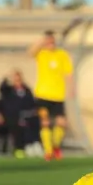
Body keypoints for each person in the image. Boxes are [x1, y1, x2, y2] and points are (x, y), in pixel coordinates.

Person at [28, 30, 74, 161]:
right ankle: (48, 151)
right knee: (45, 122)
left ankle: (55, 146)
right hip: (42, 95)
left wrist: (72, 89)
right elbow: (30, 52)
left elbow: (68, 73)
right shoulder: (41, 53)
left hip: (58, 96)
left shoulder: (62, 54)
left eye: (52, 41)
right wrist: (41, 41)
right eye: (48, 41)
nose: (50, 43)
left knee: (61, 123)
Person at [0, 70, 43, 158]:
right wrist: (6, 78)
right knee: (19, 126)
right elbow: (2, 89)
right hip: (14, 117)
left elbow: (32, 103)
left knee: (34, 122)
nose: (17, 82)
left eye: (19, 80)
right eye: (15, 80)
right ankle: (22, 148)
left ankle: (35, 144)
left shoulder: (26, 90)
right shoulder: (8, 91)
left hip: (28, 115)